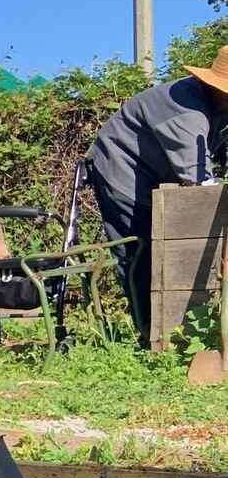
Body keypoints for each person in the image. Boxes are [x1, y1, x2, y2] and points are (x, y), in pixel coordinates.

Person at [83, 45, 228, 341]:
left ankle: (177, 329)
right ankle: (151, 333)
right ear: (217, 88)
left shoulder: (218, 107)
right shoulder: (186, 111)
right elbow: (198, 178)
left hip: (158, 172)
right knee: (137, 249)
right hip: (122, 169)